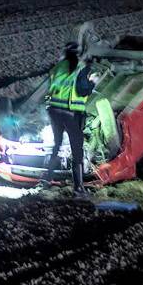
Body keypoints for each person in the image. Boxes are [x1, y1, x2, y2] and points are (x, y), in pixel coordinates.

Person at [43, 42, 100, 196]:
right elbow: (82, 91)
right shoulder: (80, 68)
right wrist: (93, 82)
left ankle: (46, 180)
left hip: (54, 111)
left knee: (57, 145)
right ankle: (79, 189)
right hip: (71, 114)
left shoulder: (58, 67)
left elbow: (51, 88)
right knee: (77, 151)